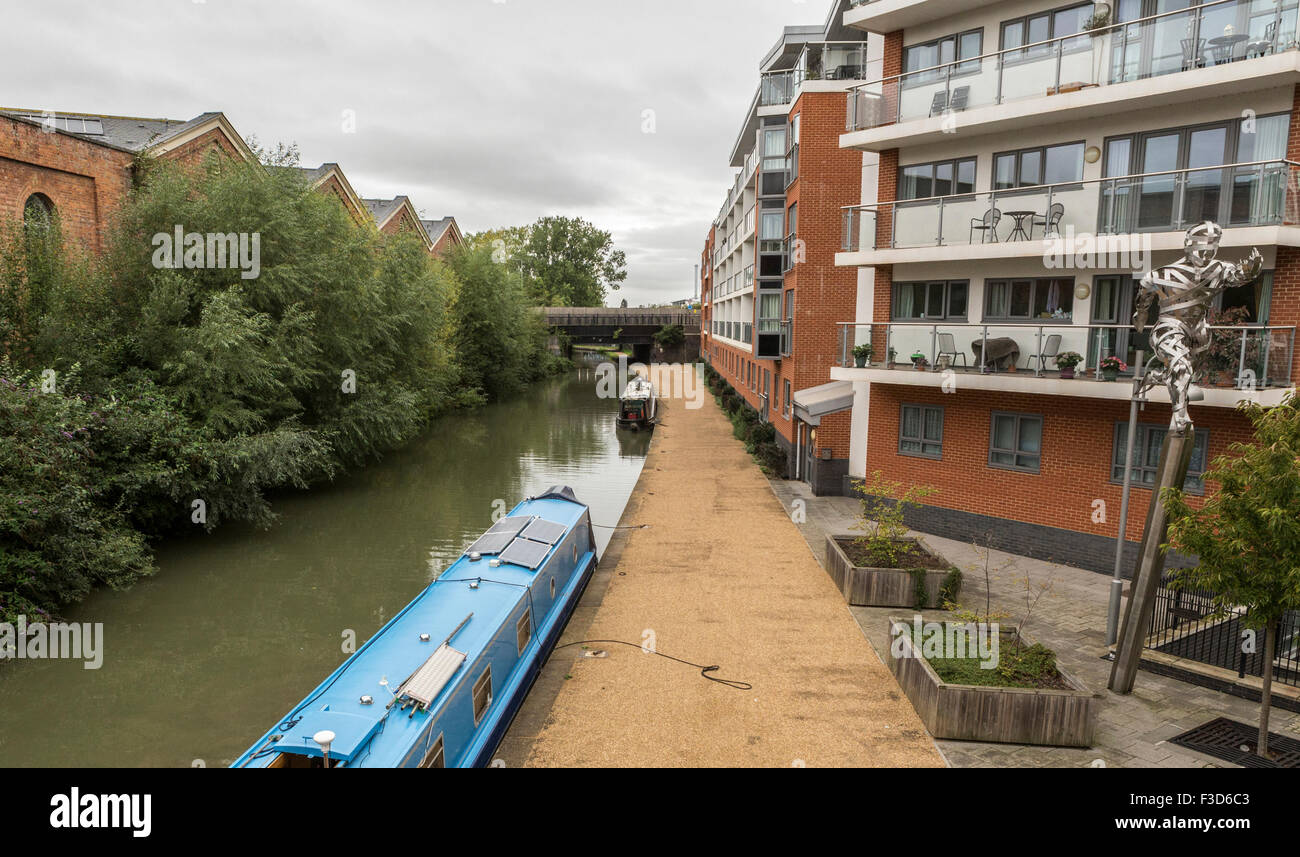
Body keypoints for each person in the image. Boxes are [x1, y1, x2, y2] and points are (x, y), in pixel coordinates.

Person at [1133, 221, 1261, 432]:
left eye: (1211, 250)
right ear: (1189, 245)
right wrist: (1140, 318)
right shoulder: (1160, 275)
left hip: (1199, 331)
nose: (1206, 256)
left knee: (1184, 372)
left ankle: (1159, 377)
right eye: (1202, 249)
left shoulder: (1219, 269)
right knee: (1181, 368)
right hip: (1169, 326)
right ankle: (1179, 417)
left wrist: (1250, 270)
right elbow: (1142, 303)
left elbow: (1237, 276)